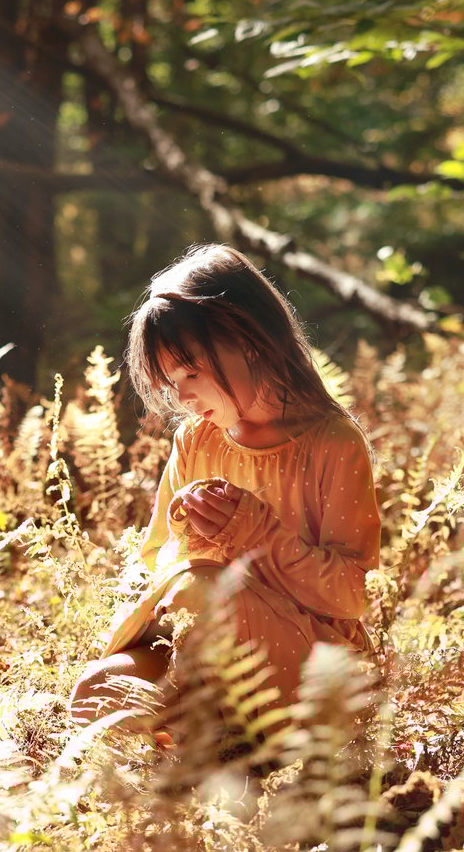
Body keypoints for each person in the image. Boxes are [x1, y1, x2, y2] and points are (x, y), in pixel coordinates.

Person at [67, 244, 382, 749]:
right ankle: (182, 733)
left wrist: (259, 535)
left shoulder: (331, 443)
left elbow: (349, 596)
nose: (184, 396)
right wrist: (189, 536)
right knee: (95, 692)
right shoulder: (197, 439)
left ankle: (191, 734)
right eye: (172, 382)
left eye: (192, 371)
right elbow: (157, 559)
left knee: (203, 600)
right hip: (199, 635)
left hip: (309, 655)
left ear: (249, 341)